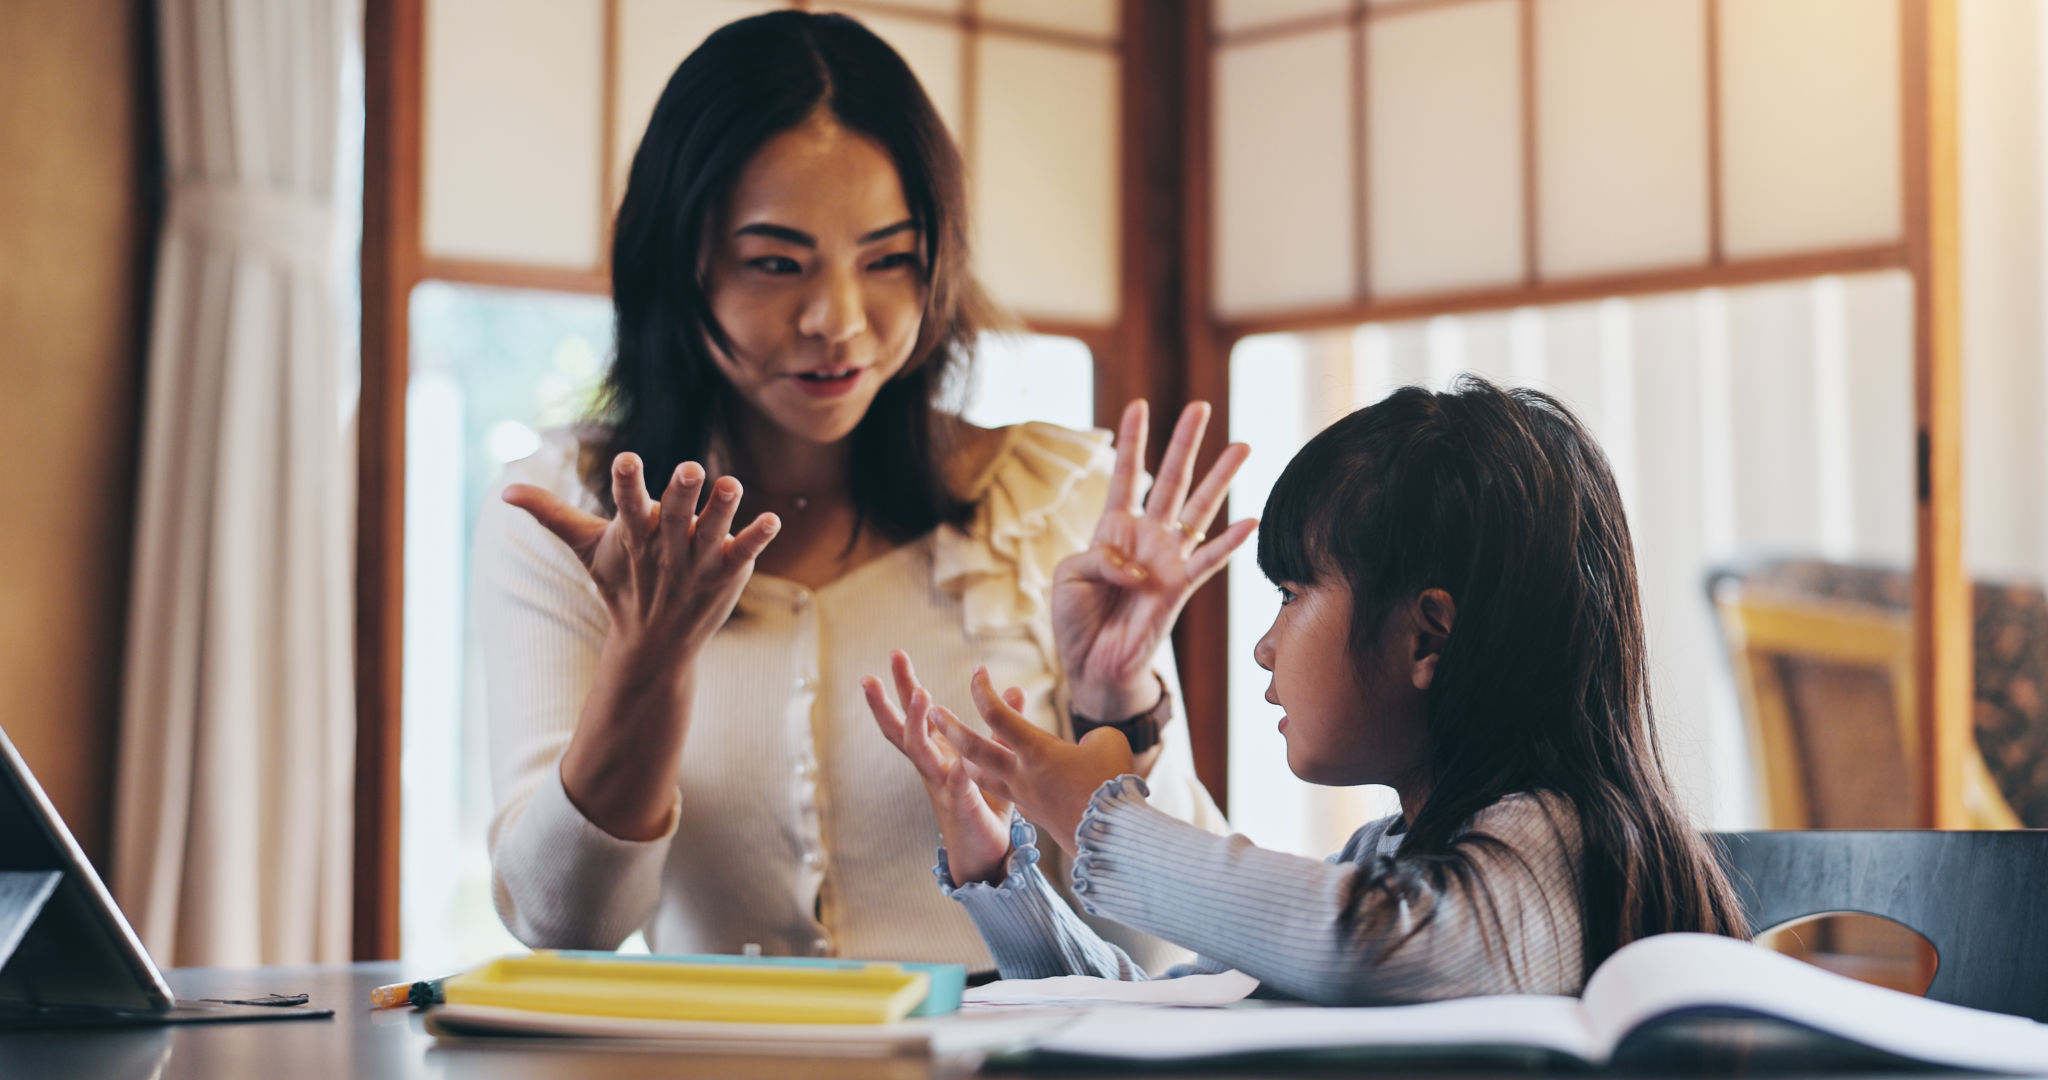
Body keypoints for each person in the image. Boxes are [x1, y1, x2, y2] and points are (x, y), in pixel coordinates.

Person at [472, 10, 1244, 971]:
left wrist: (1117, 705)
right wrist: (648, 659)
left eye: (887, 260)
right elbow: (563, 925)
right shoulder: (573, 513)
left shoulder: (1050, 505)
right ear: (682, 264)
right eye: (776, 264)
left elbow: (1163, 950)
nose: (838, 321)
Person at [866, 377, 1749, 1004]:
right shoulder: (1391, 853)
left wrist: (1099, 817)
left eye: (1292, 596)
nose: (1262, 646)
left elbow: (1371, 947)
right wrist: (1001, 875)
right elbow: (1163, 1013)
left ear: (1427, 635)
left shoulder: (1561, 841)